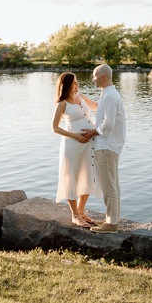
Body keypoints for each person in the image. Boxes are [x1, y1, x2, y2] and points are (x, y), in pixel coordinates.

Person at [81, 64, 126, 234]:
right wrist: (83, 99)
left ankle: (112, 224)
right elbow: (101, 113)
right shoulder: (109, 94)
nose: (92, 79)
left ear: (102, 77)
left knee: (109, 186)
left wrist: (93, 132)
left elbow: (108, 125)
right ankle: (111, 218)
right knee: (113, 184)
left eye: (94, 76)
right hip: (110, 145)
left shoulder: (109, 96)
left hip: (106, 145)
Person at [52, 72, 100, 228]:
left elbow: (96, 107)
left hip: (89, 143)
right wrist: (74, 136)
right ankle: (74, 215)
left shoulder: (80, 96)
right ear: (66, 86)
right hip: (73, 144)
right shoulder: (62, 104)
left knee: (89, 175)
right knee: (72, 176)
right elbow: (55, 128)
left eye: (77, 82)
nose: (77, 85)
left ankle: (81, 211)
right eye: (74, 83)